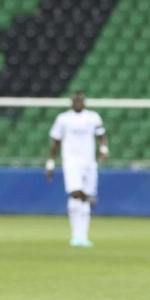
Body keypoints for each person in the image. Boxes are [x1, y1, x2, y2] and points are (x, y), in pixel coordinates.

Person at [45, 91, 108, 247]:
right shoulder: (63, 118)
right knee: (76, 193)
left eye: (81, 100)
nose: (79, 102)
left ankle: (82, 236)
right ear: (72, 102)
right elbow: (55, 142)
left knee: (84, 200)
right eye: (76, 100)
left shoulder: (93, 117)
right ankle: (75, 234)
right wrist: (50, 163)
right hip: (71, 161)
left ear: (84, 102)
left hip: (89, 163)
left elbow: (101, 135)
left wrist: (104, 149)